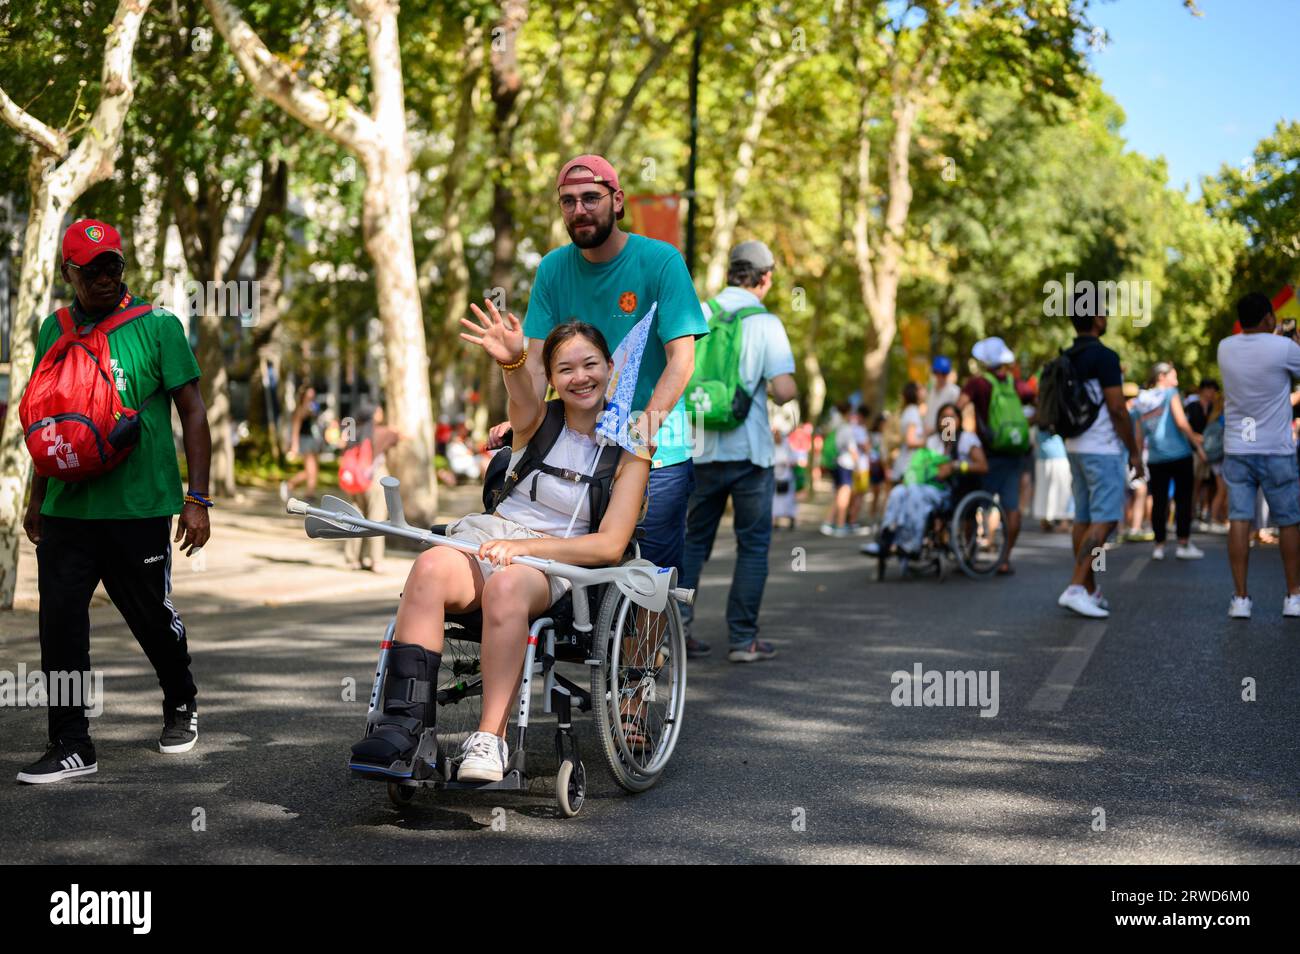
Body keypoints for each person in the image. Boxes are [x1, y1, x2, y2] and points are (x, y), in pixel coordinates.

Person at [351, 307, 652, 782]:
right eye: (565, 368)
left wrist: (527, 551)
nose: (580, 377)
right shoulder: (536, 422)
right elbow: (521, 399)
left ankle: (491, 739)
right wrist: (514, 363)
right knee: (429, 567)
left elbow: (610, 546)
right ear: (551, 377)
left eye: (590, 364)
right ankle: (403, 730)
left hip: (560, 561)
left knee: (508, 587)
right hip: (494, 534)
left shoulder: (632, 448)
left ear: (610, 368)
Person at [18, 219, 211, 784]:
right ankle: (72, 742)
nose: (104, 278)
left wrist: (196, 498)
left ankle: (181, 699)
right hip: (66, 509)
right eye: (91, 269)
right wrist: (37, 499)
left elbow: (193, 410)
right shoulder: (49, 329)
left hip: (139, 507)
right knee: (60, 628)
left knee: (151, 618)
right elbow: (43, 421)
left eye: (113, 267)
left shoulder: (158, 325)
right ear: (68, 272)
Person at [506, 155, 706, 586]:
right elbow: (540, 368)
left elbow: (682, 360)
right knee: (559, 577)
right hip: (575, 453)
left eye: (591, 198)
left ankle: (651, 653)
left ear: (617, 201)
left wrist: (644, 431)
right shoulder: (553, 269)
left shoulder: (661, 261)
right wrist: (519, 423)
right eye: (568, 202)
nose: (579, 210)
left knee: (648, 583)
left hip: (655, 454)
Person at [679, 240, 798, 662]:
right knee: (752, 545)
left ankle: (677, 633)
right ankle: (743, 640)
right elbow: (784, 390)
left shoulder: (700, 313)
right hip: (751, 456)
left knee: (693, 543)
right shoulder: (766, 324)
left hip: (700, 449)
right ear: (764, 279)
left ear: (731, 272)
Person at [1057, 289, 1142, 619]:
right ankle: (1076, 586)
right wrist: (1133, 452)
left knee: (1083, 518)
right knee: (1105, 519)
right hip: (1102, 449)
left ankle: (1089, 590)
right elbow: (1118, 409)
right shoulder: (1104, 357)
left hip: (1074, 446)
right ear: (1095, 319)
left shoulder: (1067, 356)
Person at [1217, 292, 1300, 619]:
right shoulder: (1283, 348)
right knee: (1289, 520)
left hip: (1237, 447)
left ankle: (1240, 598)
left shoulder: (1225, 347)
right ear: (1268, 317)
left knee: (1239, 519)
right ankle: (1293, 596)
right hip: (1276, 448)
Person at [862, 402, 988, 558]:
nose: (948, 420)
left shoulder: (966, 439)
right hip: (924, 485)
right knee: (898, 492)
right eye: (944, 417)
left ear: (959, 420)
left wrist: (956, 466)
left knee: (915, 493)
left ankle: (911, 543)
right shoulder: (934, 441)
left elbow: (982, 466)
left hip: (952, 491)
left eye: (952, 416)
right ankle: (886, 539)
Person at [957, 336, 1032, 575]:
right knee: (1012, 507)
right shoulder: (1016, 384)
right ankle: (1005, 559)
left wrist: (948, 437)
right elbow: (1037, 404)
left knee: (973, 504)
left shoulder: (978, 384)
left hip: (987, 456)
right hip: (1014, 453)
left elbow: (955, 409)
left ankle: (969, 555)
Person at [1130, 362, 1205, 561]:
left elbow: (1138, 435)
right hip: (1180, 455)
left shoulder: (1141, 400)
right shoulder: (1170, 393)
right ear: (1162, 376)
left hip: (1155, 457)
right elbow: (1181, 422)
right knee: (1183, 500)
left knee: (1159, 502)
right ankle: (1183, 543)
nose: (1176, 380)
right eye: (1173, 375)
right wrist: (1197, 444)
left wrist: (1136, 459)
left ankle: (1159, 546)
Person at [343, 402, 403, 571]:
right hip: (375, 478)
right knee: (377, 518)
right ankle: (375, 560)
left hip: (354, 480)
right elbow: (404, 435)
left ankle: (352, 559)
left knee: (354, 517)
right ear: (375, 414)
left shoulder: (353, 433)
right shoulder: (383, 432)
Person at [281, 385, 322, 503]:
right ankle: (290, 485)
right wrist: (294, 445)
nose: (311, 397)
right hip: (305, 441)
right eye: (309, 395)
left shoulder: (313, 408)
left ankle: (310, 493)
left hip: (313, 440)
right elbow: (295, 427)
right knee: (310, 470)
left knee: (314, 470)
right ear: (304, 396)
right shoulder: (300, 409)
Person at [1032, 424, 1072, 530]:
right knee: (1053, 490)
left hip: (1053, 455)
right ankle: (1050, 519)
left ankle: (1058, 520)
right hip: (1052, 455)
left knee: (1054, 490)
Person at [890, 381, 926, 485]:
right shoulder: (913, 412)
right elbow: (910, 441)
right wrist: (926, 441)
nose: (924, 391)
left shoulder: (909, 411)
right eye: (920, 389)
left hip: (905, 465)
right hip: (907, 466)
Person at [924, 356, 961, 435]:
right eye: (937, 372)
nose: (940, 376)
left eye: (943, 373)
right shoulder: (931, 390)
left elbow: (955, 417)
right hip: (929, 435)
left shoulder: (954, 391)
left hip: (946, 434)